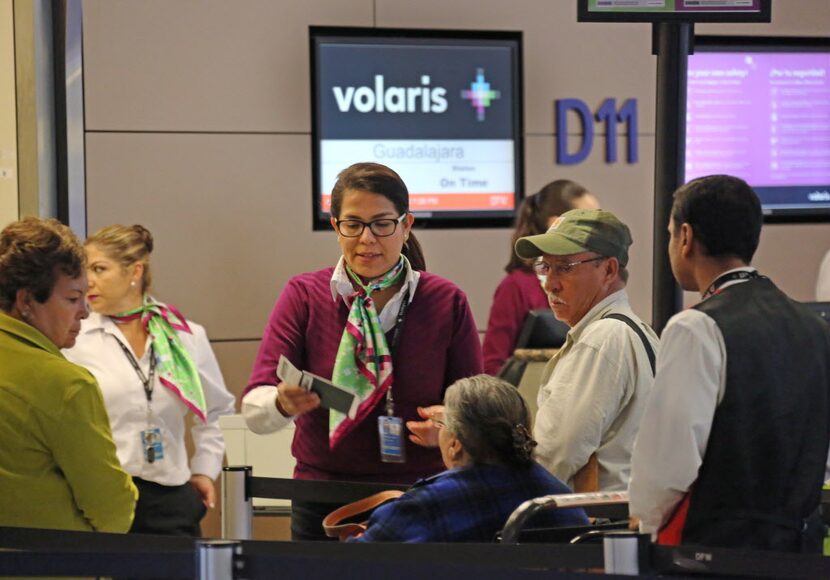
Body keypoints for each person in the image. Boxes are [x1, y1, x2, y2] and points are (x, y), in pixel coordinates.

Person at [241, 162, 483, 541]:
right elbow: (255, 407)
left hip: (421, 494)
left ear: (406, 225)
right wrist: (282, 404)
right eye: (353, 224)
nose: (367, 239)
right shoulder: (304, 295)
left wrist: (452, 427)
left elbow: (475, 409)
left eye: (382, 223)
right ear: (336, 227)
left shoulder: (445, 301)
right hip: (322, 496)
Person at [629, 175, 830, 553]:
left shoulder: (697, 327)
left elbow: (668, 463)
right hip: (799, 550)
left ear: (685, 237)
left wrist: (644, 523)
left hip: (713, 553)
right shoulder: (816, 329)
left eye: (670, 233)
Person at [64, 224, 235, 536]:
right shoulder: (75, 339)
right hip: (103, 496)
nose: (88, 280)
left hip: (171, 496)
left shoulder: (183, 335)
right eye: (84, 270)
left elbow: (216, 411)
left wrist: (205, 471)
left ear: (135, 271)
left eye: (100, 269)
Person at [0, 217, 137, 532]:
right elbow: (113, 510)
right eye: (73, 299)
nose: (85, 313)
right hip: (52, 565)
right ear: (26, 301)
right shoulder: (66, 385)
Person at [513, 208, 658, 491]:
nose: (551, 284)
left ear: (609, 269)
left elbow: (553, 456)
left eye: (566, 267)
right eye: (545, 267)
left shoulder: (601, 340)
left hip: (597, 526)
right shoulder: (636, 331)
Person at [349, 375, 589, 543]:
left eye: (442, 425)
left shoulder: (424, 506)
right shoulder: (561, 502)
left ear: (455, 444)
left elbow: (351, 564)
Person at [482, 180, 600, 375]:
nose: (600, 233)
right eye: (590, 223)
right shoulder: (517, 287)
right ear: (555, 224)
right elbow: (493, 367)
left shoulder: (597, 282)